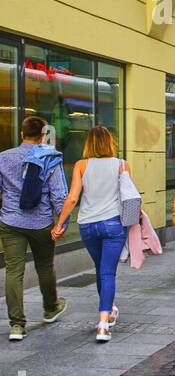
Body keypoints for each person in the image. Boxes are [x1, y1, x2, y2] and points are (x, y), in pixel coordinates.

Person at [51, 127, 130, 343]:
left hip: (88, 225)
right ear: (110, 142)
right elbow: (127, 194)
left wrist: (60, 224)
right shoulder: (121, 165)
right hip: (114, 224)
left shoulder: (81, 165)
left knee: (101, 270)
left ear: (89, 143)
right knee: (107, 273)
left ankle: (110, 310)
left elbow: (72, 198)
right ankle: (103, 324)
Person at [0, 116, 68, 342]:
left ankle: (17, 325)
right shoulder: (50, 157)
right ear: (42, 136)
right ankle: (51, 308)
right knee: (45, 266)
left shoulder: (3, 158)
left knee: (13, 271)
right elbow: (59, 194)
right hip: (41, 223)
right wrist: (62, 223)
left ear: (21, 134)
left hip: (10, 222)